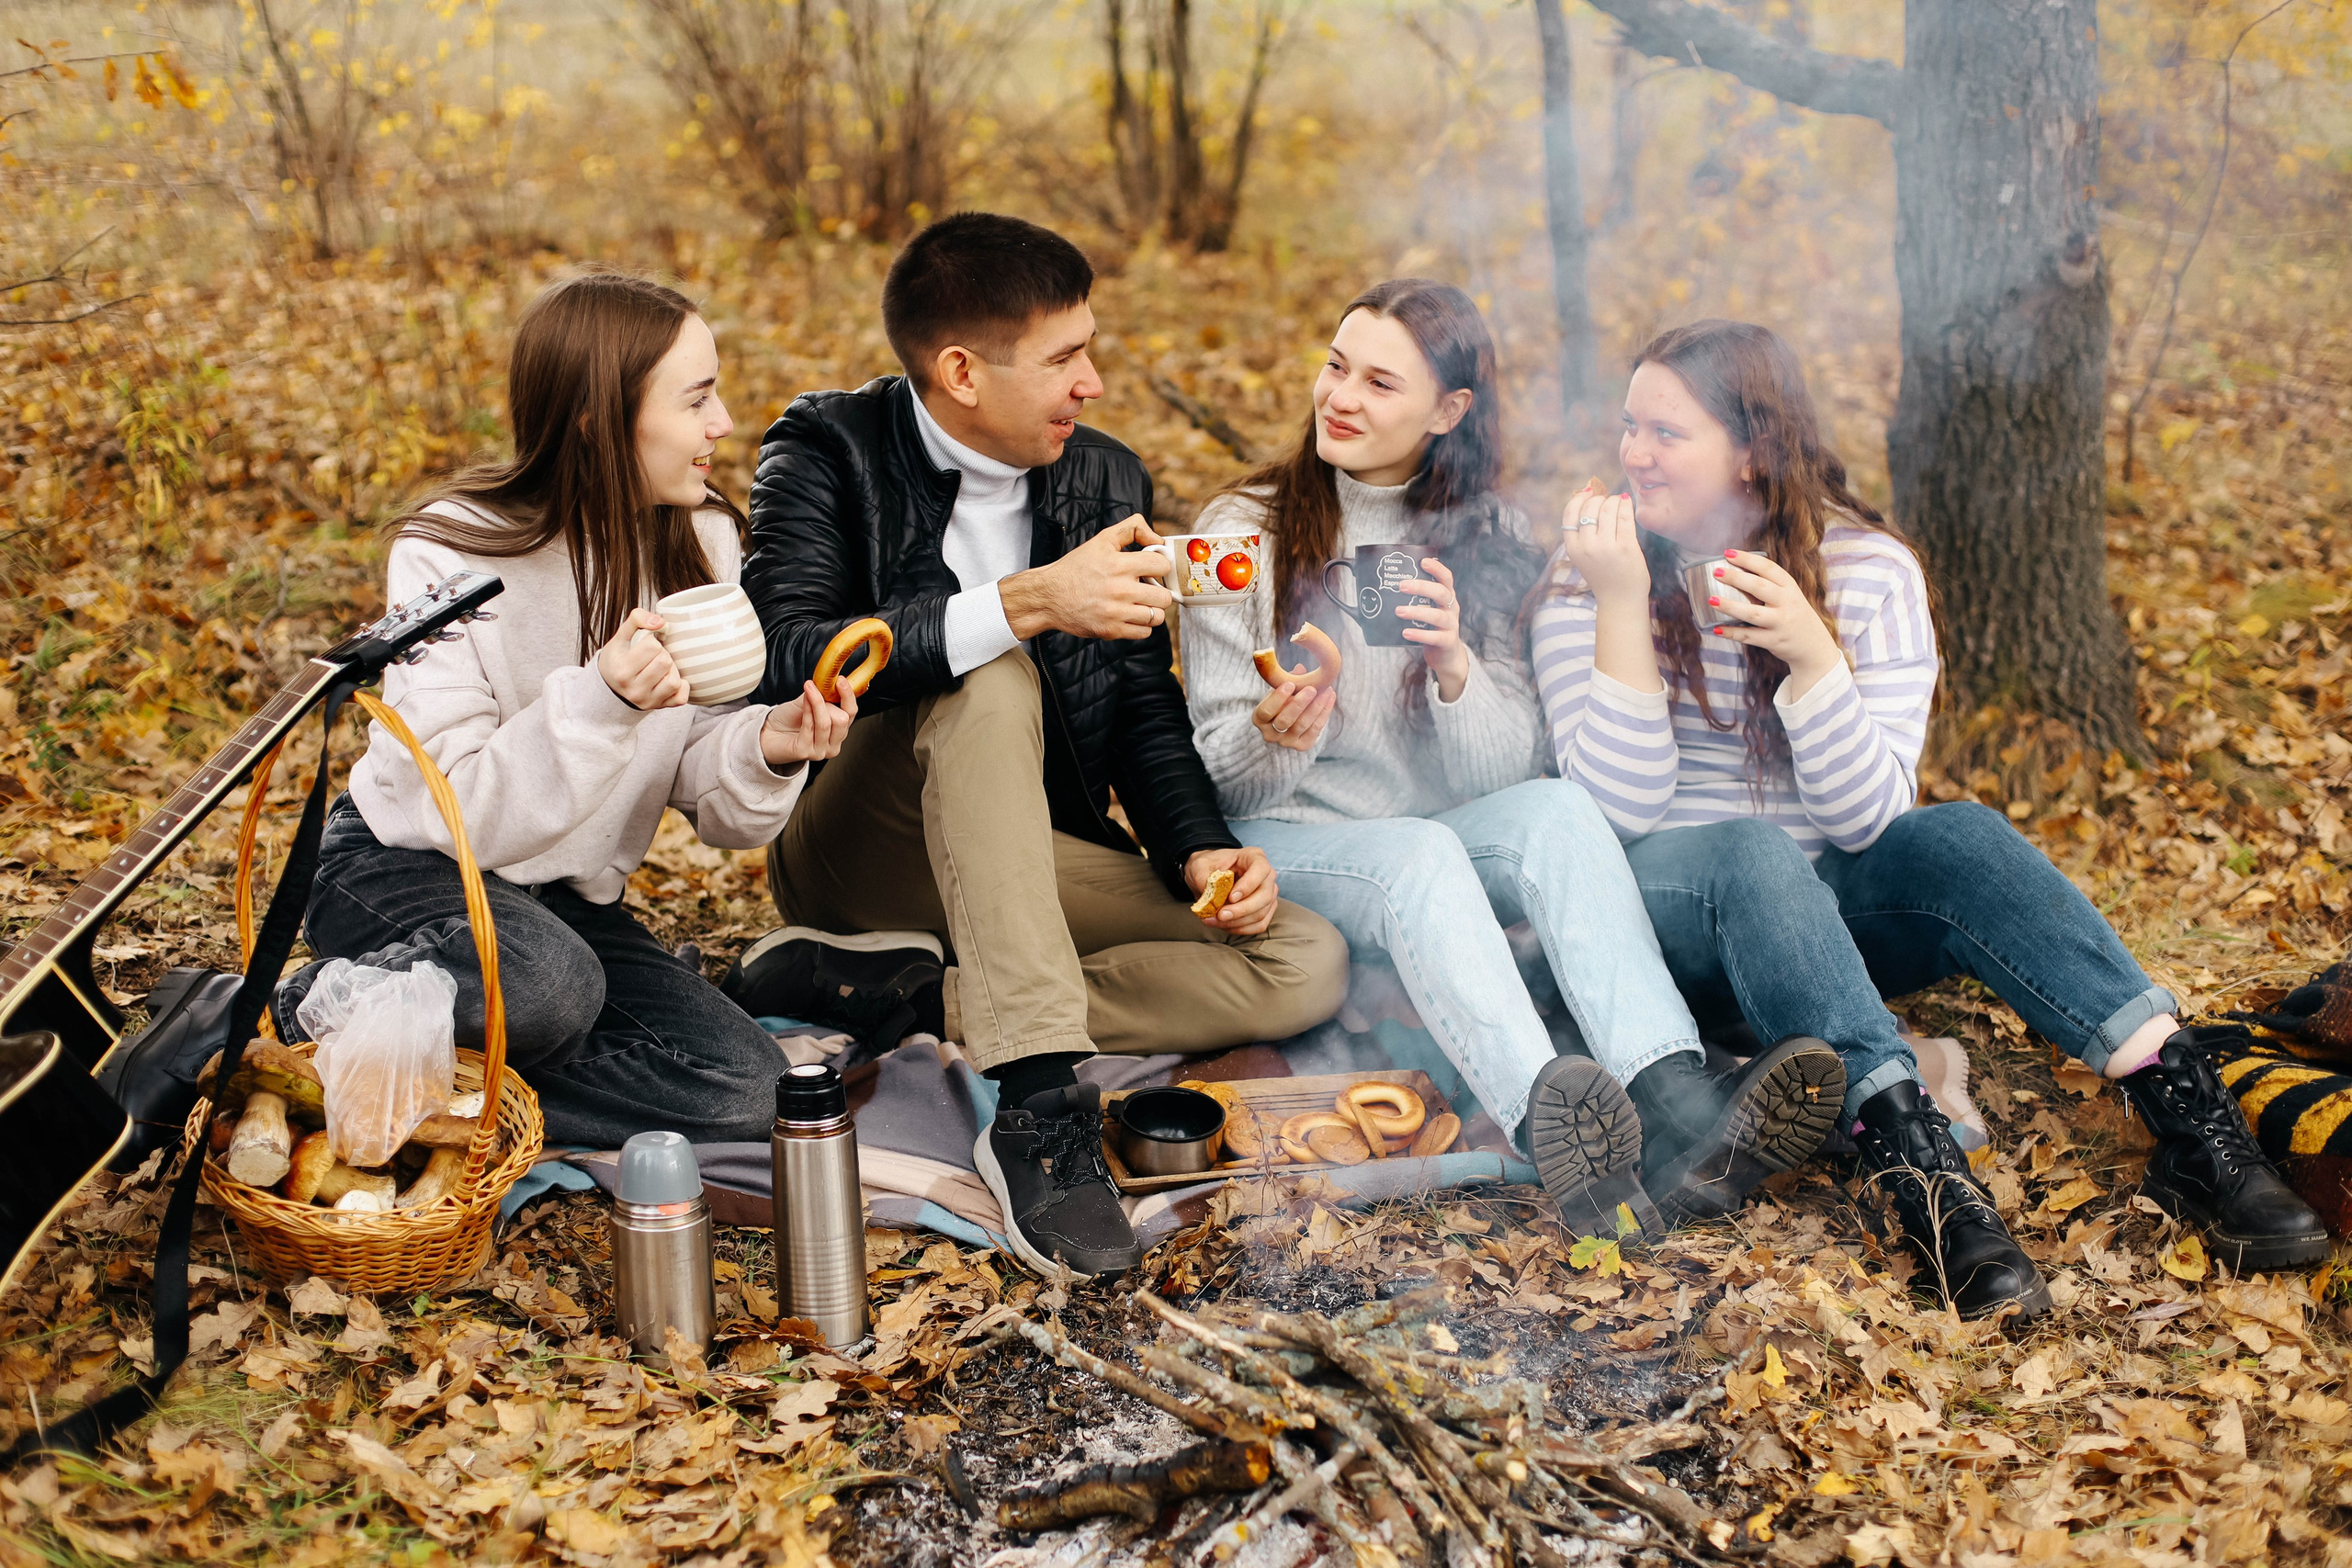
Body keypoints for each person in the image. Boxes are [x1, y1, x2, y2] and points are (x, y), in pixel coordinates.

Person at [1531, 318, 2329, 1320]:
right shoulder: (1587, 575)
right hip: (1662, 921)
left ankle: (2190, 1122)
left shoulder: (1866, 572)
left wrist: (1815, 663)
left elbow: (1868, 820)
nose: (1631, 454)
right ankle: (1920, 1175)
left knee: (1957, 834)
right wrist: (1618, 606)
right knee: (1748, 850)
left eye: (1663, 432)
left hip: (1815, 921)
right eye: (1627, 426)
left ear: (1752, 446)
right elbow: (1611, 812)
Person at [742, 212, 1348, 1280]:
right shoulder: (825, 452)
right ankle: (1035, 1111)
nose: (1094, 383)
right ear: (962, 371)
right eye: (1065, 358)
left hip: (1019, 855)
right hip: (858, 837)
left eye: (1090, 350)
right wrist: (1025, 601)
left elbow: (1141, 704)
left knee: (1302, 960)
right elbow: (784, 650)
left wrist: (1198, 850)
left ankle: (917, 997)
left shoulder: (1100, 480)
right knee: (989, 671)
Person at [1181, 278, 1845, 1232]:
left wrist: (1453, 665)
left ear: (1448, 413)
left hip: (1428, 823)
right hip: (1286, 834)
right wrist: (1280, 734)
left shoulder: (1484, 536)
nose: (1340, 397)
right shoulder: (1239, 533)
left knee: (1558, 813)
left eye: (1378, 382)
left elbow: (1502, 776)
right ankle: (1556, 1134)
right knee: (1419, 856)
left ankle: (1671, 1103)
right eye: (1335, 367)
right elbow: (1215, 774)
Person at [281, 270, 855, 1149]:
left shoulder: (702, 537)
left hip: (562, 908)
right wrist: (603, 699)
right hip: (409, 865)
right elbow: (457, 806)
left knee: (746, 1091)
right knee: (549, 986)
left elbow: (701, 764)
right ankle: (303, 1009)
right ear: (596, 418)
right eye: (696, 398)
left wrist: (768, 746)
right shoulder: (449, 550)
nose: (724, 423)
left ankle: (437, 1075)